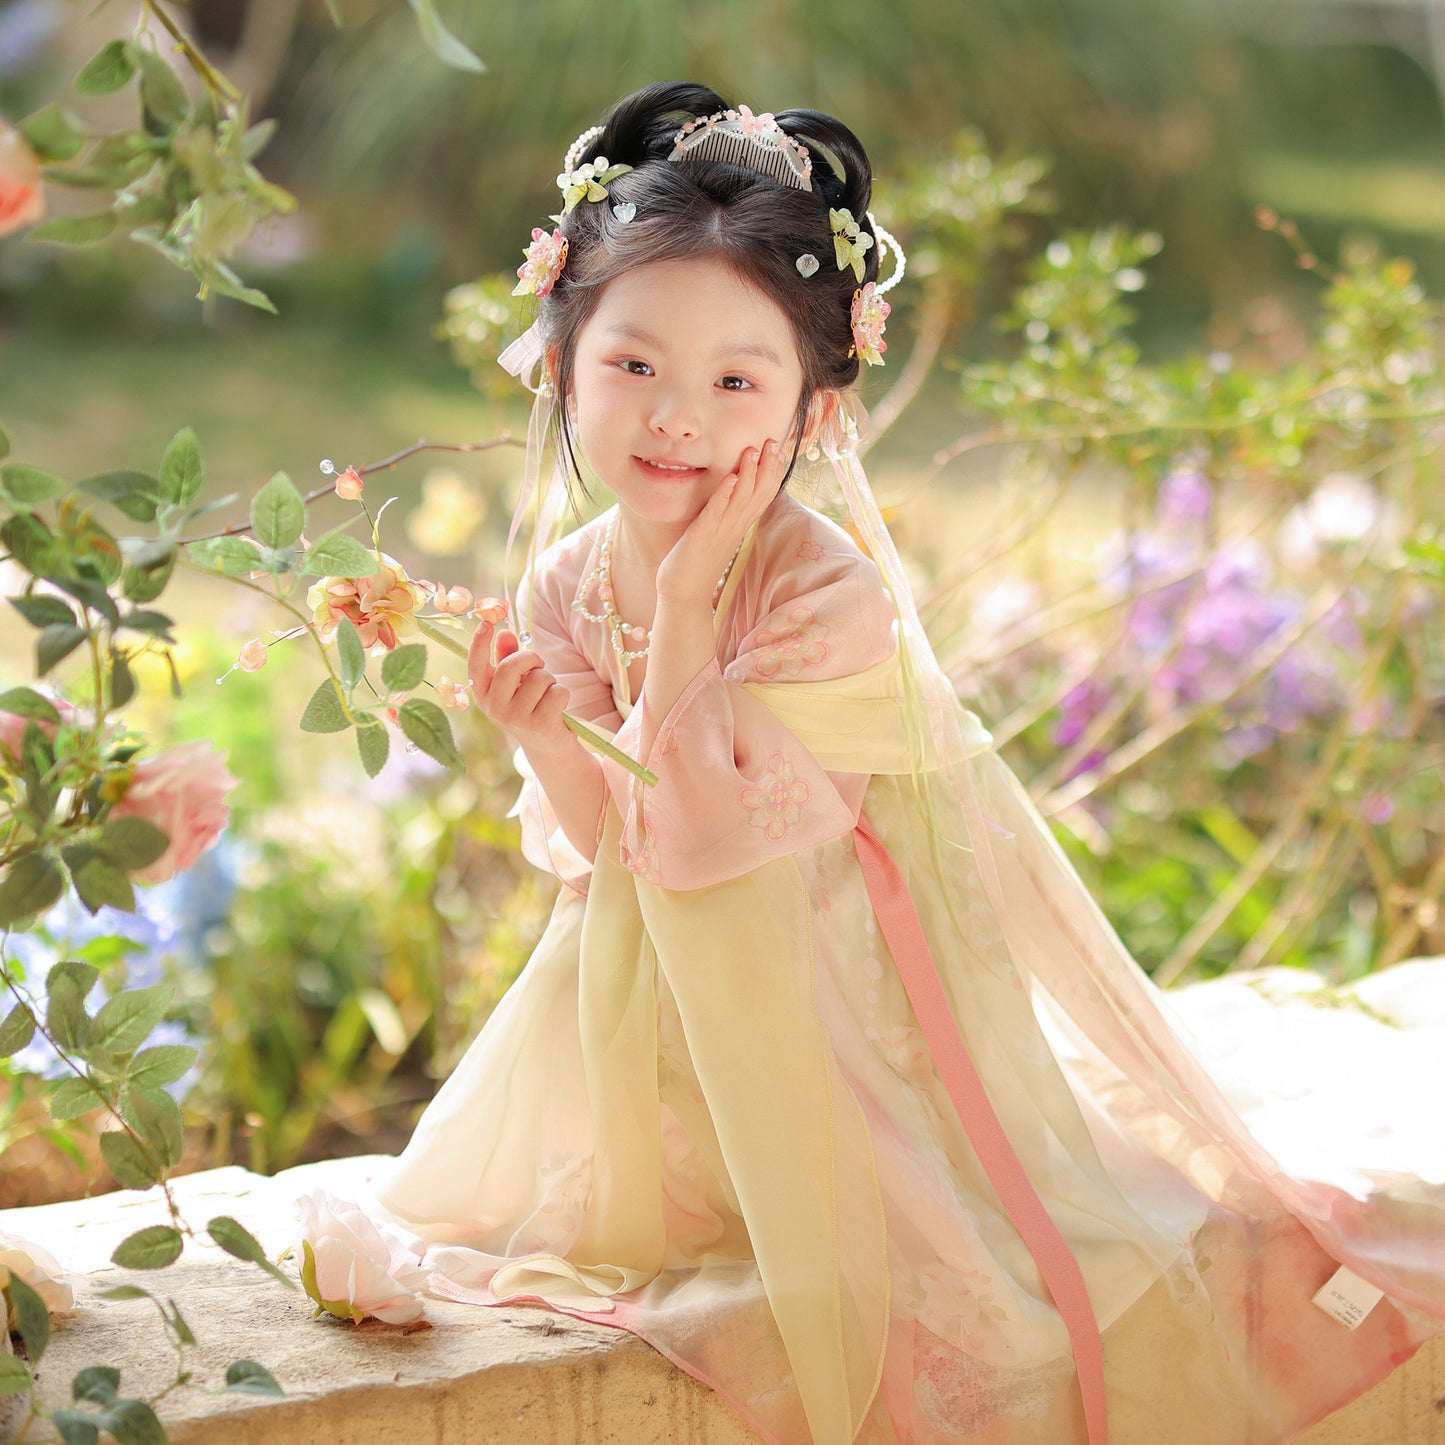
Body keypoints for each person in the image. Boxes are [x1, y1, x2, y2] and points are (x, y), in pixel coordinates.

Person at [364, 82, 1445, 1444]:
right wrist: (539, 731)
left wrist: (691, 602)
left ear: (812, 409)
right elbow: (611, 849)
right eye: (631, 365)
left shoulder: (826, 595)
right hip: (649, 994)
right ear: (561, 360)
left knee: (953, 1294)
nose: (676, 417)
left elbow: (701, 848)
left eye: (735, 382)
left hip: (824, 1000)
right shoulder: (565, 583)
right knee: (524, 1225)